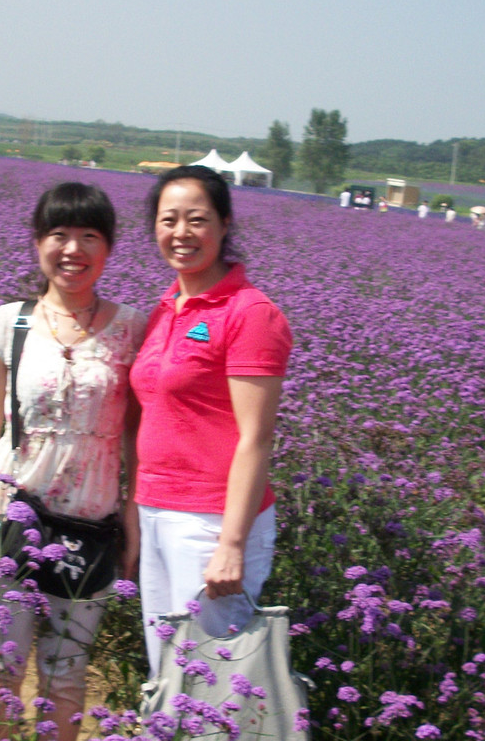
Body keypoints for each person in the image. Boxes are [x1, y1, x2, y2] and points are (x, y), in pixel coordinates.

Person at [0, 182, 146, 741]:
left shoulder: (133, 328)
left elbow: (136, 433)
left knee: (65, 678)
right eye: (58, 234)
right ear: (37, 243)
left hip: (91, 521)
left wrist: (133, 514)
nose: (72, 249)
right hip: (8, 513)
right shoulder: (10, 322)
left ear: (108, 249)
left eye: (89, 236)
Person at [129, 165, 293, 678]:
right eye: (168, 220)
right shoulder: (163, 308)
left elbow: (256, 438)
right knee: (166, 667)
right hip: (156, 509)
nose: (181, 233)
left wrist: (232, 545)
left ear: (224, 224)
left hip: (209, 520)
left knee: (212, 675)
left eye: (196, 220)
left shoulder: (250, 313)